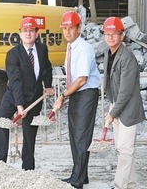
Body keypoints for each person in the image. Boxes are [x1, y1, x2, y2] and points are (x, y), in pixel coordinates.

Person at [0, 17, 54, 170]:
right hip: (14, 94)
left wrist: (48, 85)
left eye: (31, 30)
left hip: (34, 96)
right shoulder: (13, 54)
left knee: (29, 133)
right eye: (25, 31)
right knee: (1, 123)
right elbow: (16, 81)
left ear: (36, 33)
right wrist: (19, 105)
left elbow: (47, 68)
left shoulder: (42, 49)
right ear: (19, 34)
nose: (28, 33)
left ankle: (28, 168)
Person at [53, 11, 101, 189]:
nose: (67, 31)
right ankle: (82, 175)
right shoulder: (71, 47)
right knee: (75, 135)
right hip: (77, 93)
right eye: (64, 28)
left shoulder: (83, 48)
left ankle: (77, 179)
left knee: (81, 136)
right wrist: (67, 94)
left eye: (71, 28)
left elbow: (82, 79)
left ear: (79, 28)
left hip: (85, 94)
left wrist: (63, 95)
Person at [102, 17, 145, 189]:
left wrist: (112, 113)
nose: (111, 37)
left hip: (128, 108)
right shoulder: (108, 53)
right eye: (107, 34)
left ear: (122, 35)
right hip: (116, 103)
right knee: (123, 150)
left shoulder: (127, 58)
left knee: (125, 149)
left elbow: (126, 92)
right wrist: (111, 106)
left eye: (115, 34)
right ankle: (131, 184)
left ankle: (120, 185)